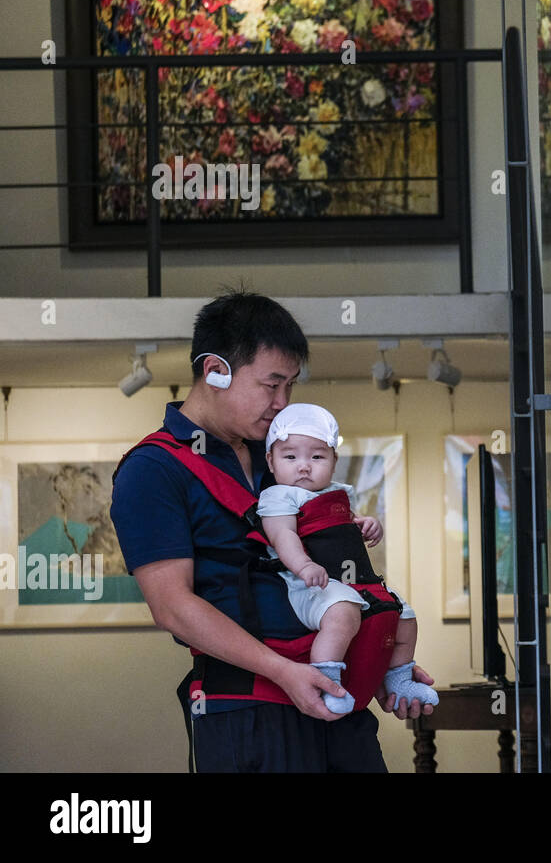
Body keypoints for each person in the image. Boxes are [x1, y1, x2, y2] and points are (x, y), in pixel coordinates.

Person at [110, 290, 436, 772]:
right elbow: (173, 607)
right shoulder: (153, 469)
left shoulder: (283, 460)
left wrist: (381, 660)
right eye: (272, 384)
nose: (282, 403)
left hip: (335, 699)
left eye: (291, 386)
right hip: (249, 711)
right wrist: (286, 673)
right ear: (215, 370)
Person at [258, 401, 439, 715]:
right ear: (270, 462)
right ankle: (326, 678)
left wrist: (367, 523)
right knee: (342, 611)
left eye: (317, 456)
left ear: (333, 460)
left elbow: (343, 523)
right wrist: (304, 565)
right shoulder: (278, 495)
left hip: (351, 583)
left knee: (403, 614)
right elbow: (282, 535)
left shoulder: (337, 492)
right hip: (309, 586)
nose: (304, 466)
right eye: (290, 456)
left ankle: (398, 677)